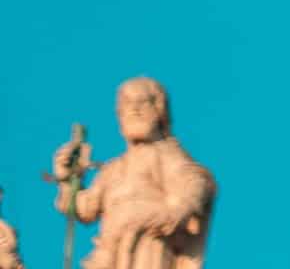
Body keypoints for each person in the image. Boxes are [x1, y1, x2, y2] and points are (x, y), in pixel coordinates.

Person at [50, 80, 214, 269]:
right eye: (128, 104)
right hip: (109, 253)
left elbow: (194, 186)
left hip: (147, 247)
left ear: (158, 112)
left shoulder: (166, 155)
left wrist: (148, 215)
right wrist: (66, 179)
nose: (135, 109)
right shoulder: (113, 168)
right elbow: (84, 208)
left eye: (143, 102)